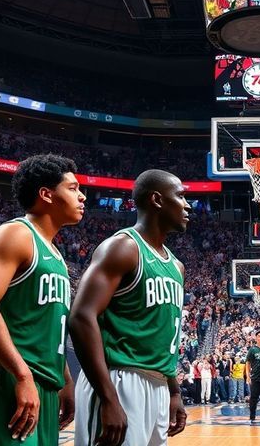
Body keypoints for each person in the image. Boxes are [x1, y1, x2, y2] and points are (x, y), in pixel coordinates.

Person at [70, 169, 190, 446]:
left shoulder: (176, 266)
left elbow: (162, 337)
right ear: (157, 200)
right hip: (120, 379)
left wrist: (173, 391)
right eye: (181, 196)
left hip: (158, 383)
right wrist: (108, 397)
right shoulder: (122, 248)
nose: (187, 205)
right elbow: (80, 316)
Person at [0, 154, 84, 445]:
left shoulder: (57, 255)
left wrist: (66, 380)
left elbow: (48, 326)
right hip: (10, 378)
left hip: (44, 386)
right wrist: (22, 376)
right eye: (72, 188)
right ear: (46, 194)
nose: (81, 196)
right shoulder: (16, 235)